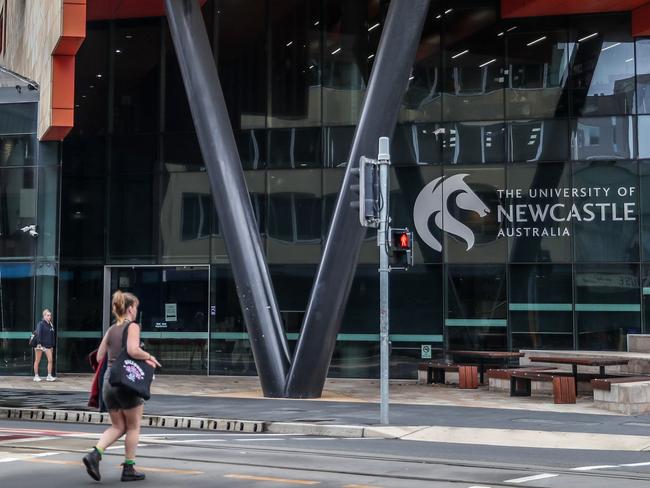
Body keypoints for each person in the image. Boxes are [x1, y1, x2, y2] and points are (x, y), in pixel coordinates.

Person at [82, 291, 161, 482]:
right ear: (130, 308)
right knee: (133, 426)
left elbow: (100, 357)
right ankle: (129, 469)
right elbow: (133, 350)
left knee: (118, 425)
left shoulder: (111, 329)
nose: (136, 312)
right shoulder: (132, 326)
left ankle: (94, 454)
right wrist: (149, 357)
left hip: (109, 382)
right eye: (136, 308)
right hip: (126, 382)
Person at [33, 309, 56, 382]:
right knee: (37, 360)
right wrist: (39, 344)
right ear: (44, 316)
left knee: (50, 360)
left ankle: (49, 376)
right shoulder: (41, 324)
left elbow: (52, 336)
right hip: (40, 345)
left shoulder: (50, 325)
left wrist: (52, 345)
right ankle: (36, 376)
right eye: (48, 315)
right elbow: (39, 333)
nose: (49, 317)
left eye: (50, 315)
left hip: (48, 346)